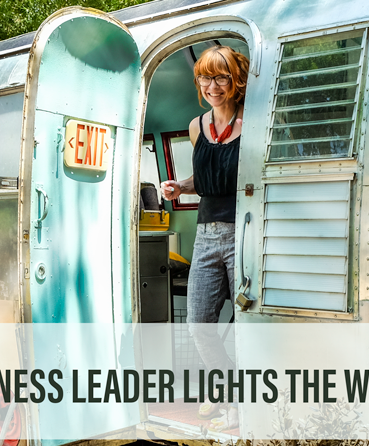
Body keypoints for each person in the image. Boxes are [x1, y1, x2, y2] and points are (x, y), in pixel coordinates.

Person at [161, 45, 248, 429]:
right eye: (205, 77)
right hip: (205, 234)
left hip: (244, 233)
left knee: (248, 326)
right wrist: (180, 186)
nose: (212, 85)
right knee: (198, 322)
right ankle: (232, 392)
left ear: (236, 80)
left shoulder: (253, 121)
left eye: (221, 77)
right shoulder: (198, 126)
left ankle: (237, 405)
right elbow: (207, 178)